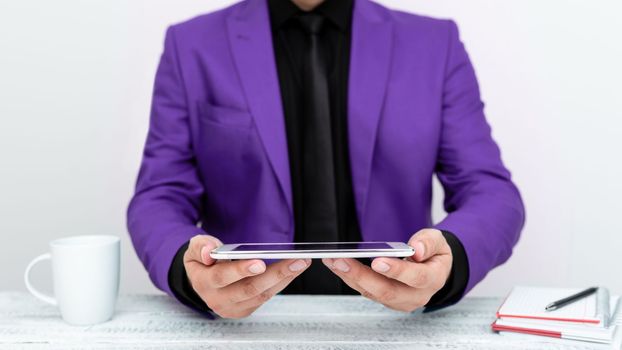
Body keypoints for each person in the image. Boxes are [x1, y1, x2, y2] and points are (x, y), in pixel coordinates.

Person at [127, 0, 525, 319]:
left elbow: (490, 191)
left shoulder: (434, 44)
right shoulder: (191, 45)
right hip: (247, 325)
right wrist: (186, 269)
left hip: (393, 323)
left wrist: (449, 261)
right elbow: (158, 196)